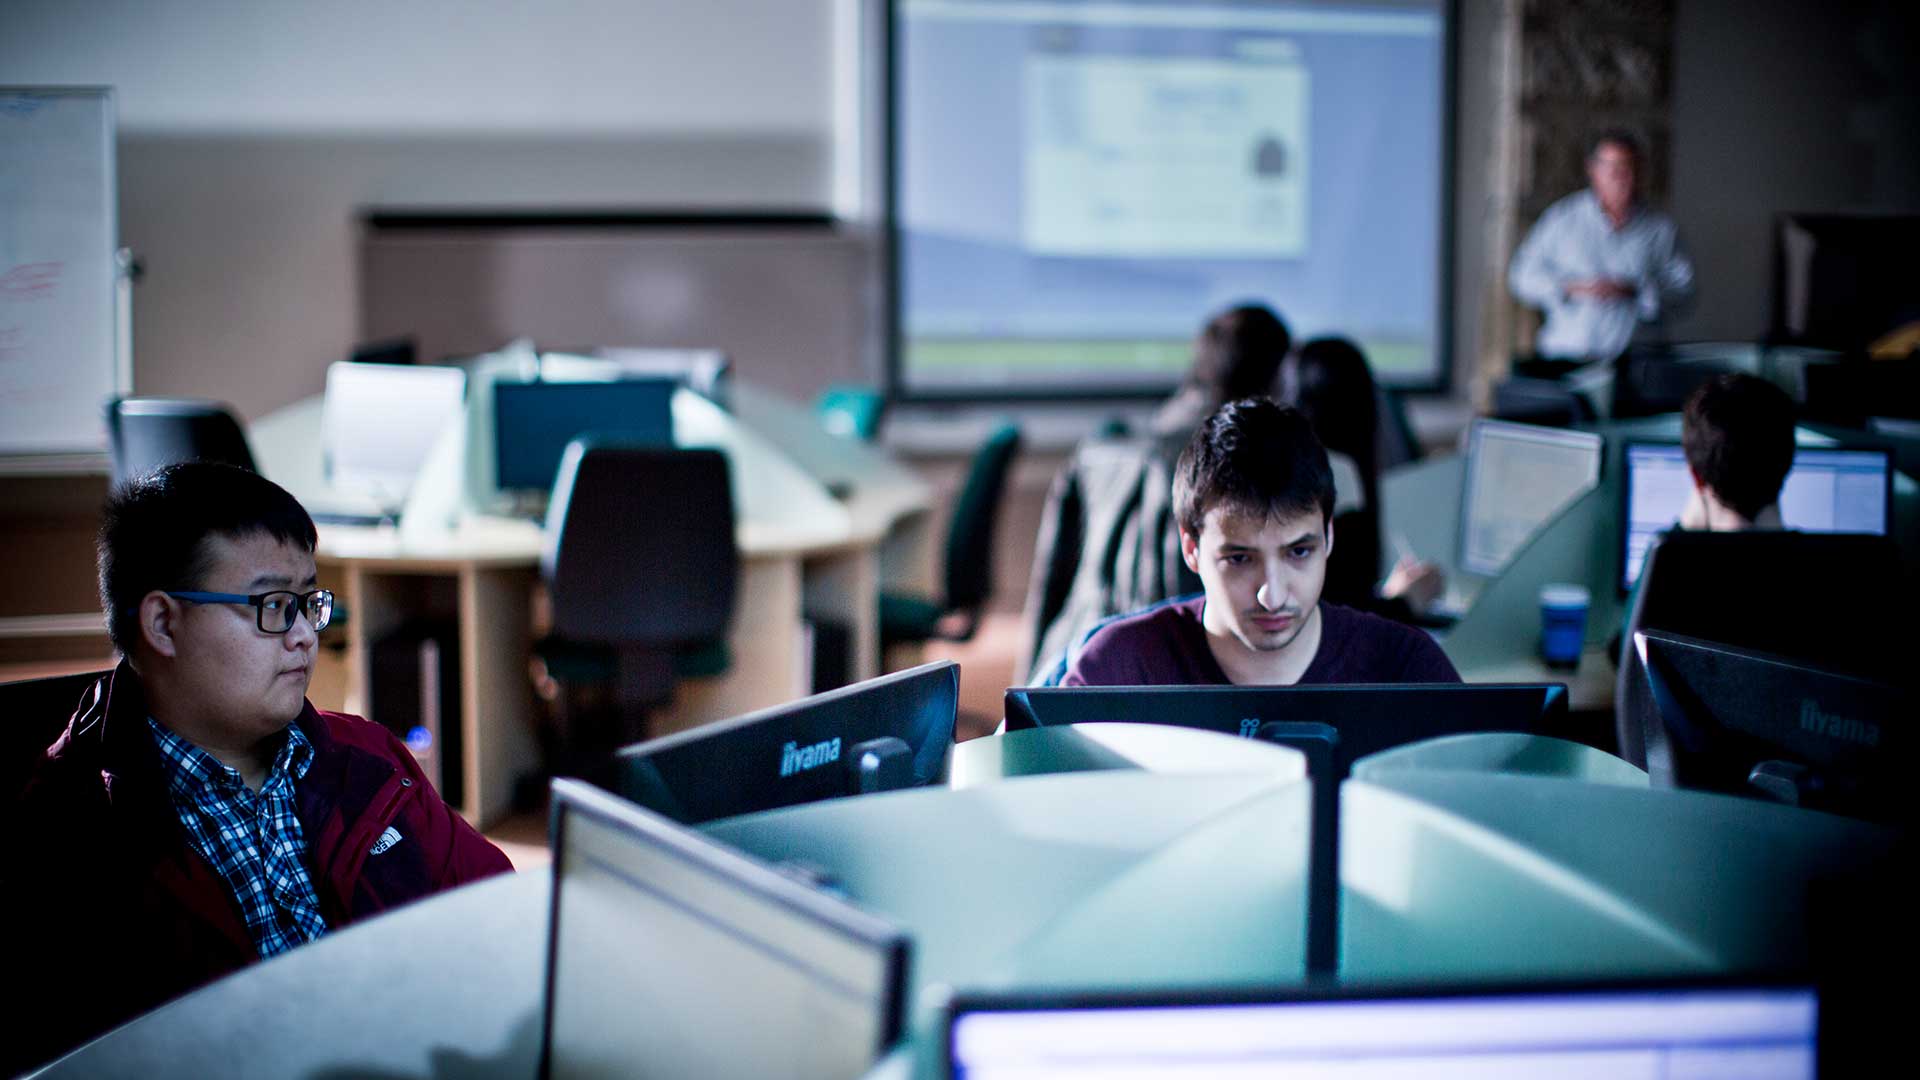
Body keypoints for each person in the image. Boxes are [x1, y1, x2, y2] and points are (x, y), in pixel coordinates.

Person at [5, 462, 512, 1074]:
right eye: (274, 605)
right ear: (163, 623)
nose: (303, 636)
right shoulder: (69, 833)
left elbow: (502, 916)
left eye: (309, 604)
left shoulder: (368, 762)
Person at [1063, 397, 1460, 687]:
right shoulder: (1116, 670)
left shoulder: (1407, 673)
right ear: (1191, 548)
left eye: (1299, 552)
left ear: (1329, 537)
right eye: (1239, 559)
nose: (1272, 596)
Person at [1020, 302, 1291, 681]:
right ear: (1275, 376)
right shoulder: (1212, 471)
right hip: (1149, 676)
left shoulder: (1106, 451)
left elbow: (1048, 589)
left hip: (1068, 659)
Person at [1281, 336, 1444, 619]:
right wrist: (1404, 602)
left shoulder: (1286, 467)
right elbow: (1338, 620)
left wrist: (1387, 597)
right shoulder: (1339, 477)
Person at [1508, 130, 1696, 362]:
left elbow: (1684, 292)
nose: (1622, 177)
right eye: (1614, 168)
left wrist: (1635, 291)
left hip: (1637, 361)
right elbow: (1521, 277)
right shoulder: (1562, 219)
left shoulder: (1661, 230)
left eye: (1630, 168)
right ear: (1593, 170)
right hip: (1566, 356)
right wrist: (1571, 288)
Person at [1676, 372, 1795, 531]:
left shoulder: (1666, 553)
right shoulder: (1821, 555)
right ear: (1787, 466)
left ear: (1696, 477)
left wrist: (1683, 533)